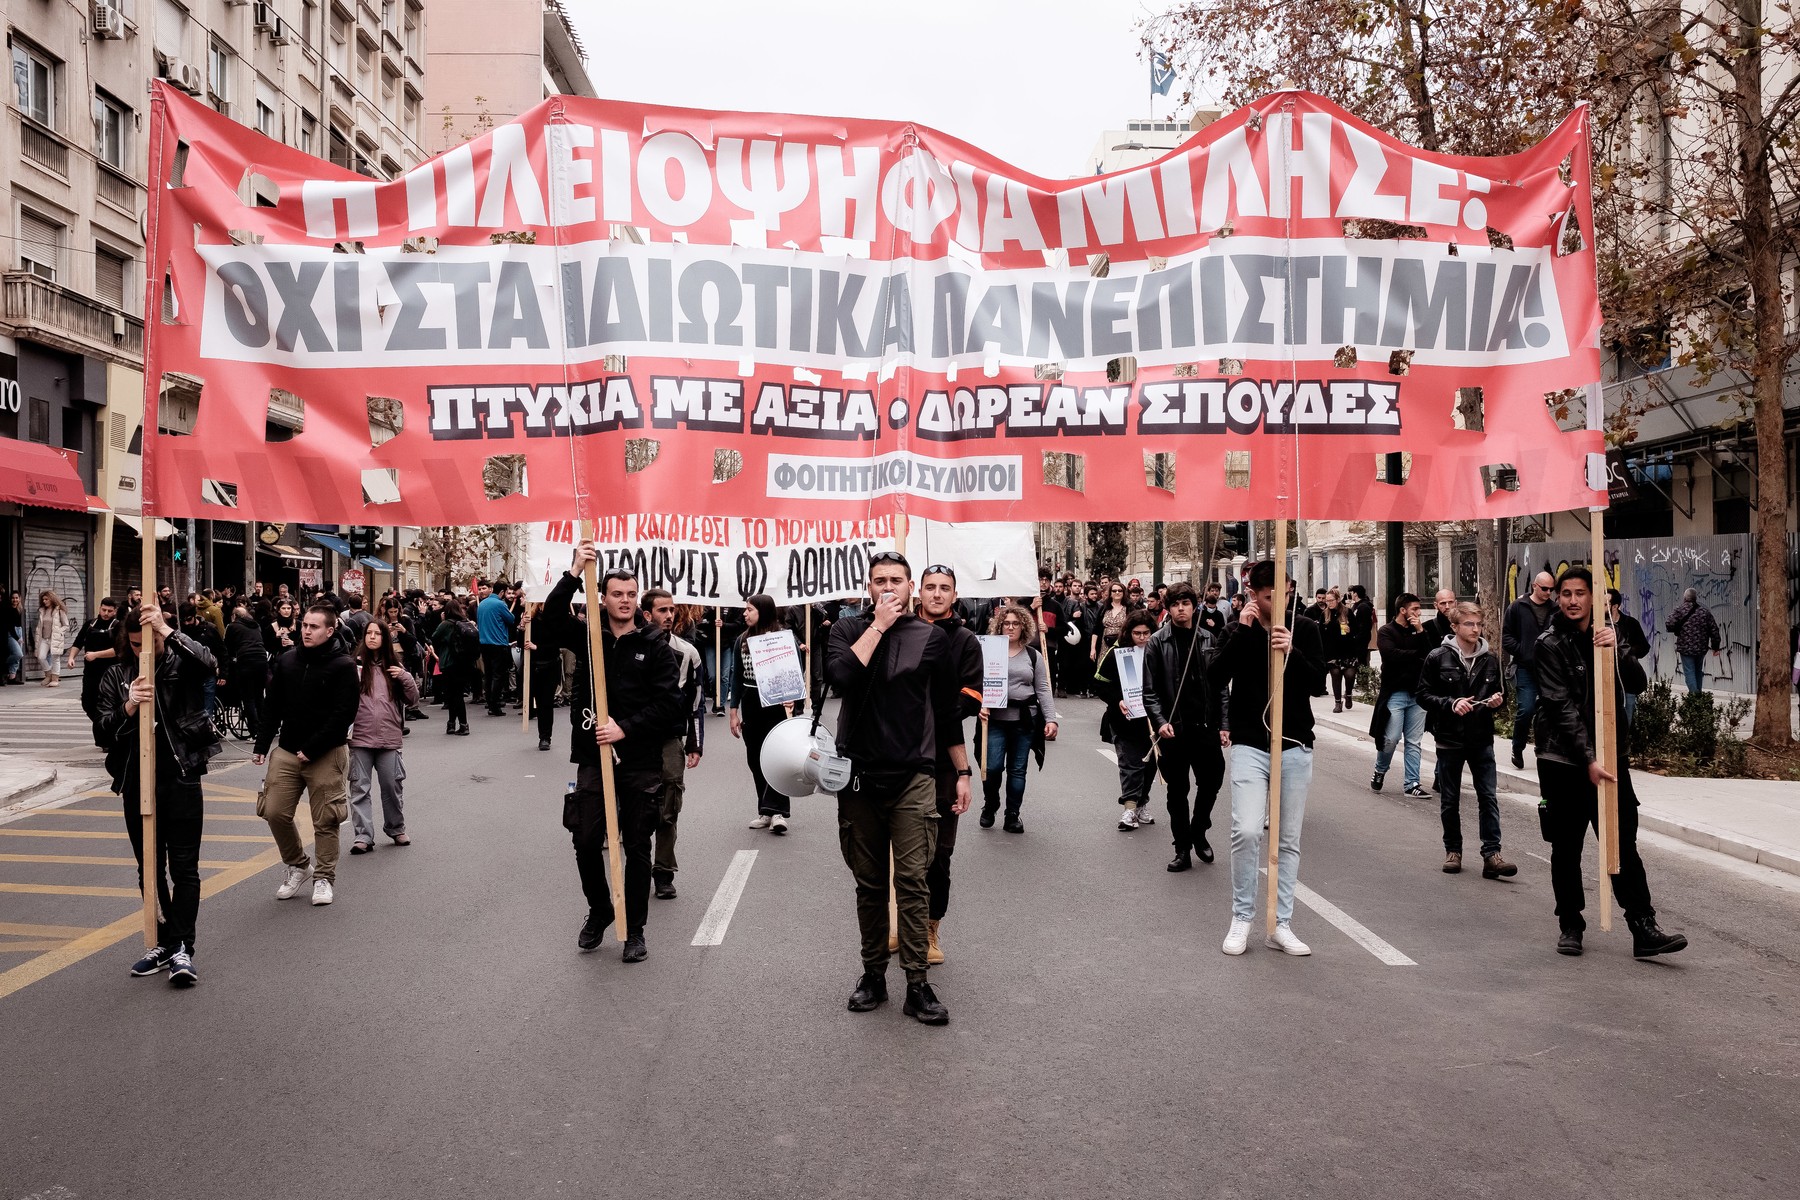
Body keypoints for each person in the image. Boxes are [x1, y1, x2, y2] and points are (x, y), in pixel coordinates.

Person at [826, 550, 971, 1024]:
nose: (888, 587)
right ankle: (872, 975)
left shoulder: (931, 638)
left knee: (912, 882)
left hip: (913, 777)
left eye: (896, 580)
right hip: (859, 778)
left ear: (911, 587)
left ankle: (916, 984)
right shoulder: (848, 631)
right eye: (879, 581)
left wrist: (963, 772)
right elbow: (841, 676)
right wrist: (878, 627)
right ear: (868, 587)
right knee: (869, 885)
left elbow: (948, 712)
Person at [1536, 567, 1686, 959]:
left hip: (1612, 760)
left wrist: (1617, 647)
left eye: (1579, 593)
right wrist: (1588, 758)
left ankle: (1643, 928)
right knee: (1566, 847)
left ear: (1594, 597)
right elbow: (1560, 706)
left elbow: (1637, 684)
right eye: (1565, 593)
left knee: (1622, 846)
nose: (1571, 600)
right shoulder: (1549, 643)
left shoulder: (1609, 636)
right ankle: (1570, 924)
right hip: (1563, 760)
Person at [542, 549, 683, 963]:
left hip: (639, 760)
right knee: (585, 839)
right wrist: (571, 573)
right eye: (617, 593)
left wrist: (627, 727)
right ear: (602, 597)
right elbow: (551, 620)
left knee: (637, 844)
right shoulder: (588, 637)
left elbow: (669, 705)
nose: (625, 600)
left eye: (631, 594)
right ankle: (600, 909)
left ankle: (634, 928)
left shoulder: (655, 645)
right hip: (592, 755)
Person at [96, 603, 220, 986]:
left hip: (181, 776)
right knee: (148, 868)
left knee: (184, 868)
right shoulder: (116, 675)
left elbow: (208, 663)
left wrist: (166, 631)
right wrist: (129, 705)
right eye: (134, 645)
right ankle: (165, 941)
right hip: (136, 783)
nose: (141, 651)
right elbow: (102, 732)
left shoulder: (179, 662)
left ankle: (183, 946)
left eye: (147, 643)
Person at [1209, 560, 1327, 957]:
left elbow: (1317, 683)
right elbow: (1214, 675)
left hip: (1294, 741)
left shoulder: (1305, 628)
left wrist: (1291, 650)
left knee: (1287, 837)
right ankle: (1242, 916)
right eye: (1265, 598)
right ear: (1252, 596)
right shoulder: (1237, 628)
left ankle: (1281, 923)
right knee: (1245, 829)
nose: (1276, 603)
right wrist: (1244, 632)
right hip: (1249, 741)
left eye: (1283, 593)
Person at [254, 602, 360, 907]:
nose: (307, 630)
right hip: (287, 750)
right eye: (304, 625)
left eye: (314, 627)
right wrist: (261, 745)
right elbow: (272, 706)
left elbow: (344, 714)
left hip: (325, 752)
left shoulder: (343, 666)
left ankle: (324, 877)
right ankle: (299, 865)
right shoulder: (287, 661)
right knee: (273, 811)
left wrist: (312, 748)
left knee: (325, 819)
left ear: (330, 630)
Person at [1416, 602, 1516, 878]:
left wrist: (1497, 701)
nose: (1475, 629)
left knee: (1488, 797)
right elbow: (1423, 695)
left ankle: (1492, 854)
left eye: (1478, 624)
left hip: (1481, 737)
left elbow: (1499, 694)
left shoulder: (1490, 658)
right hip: (1449, 738)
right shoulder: (1437, 657)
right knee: (1450, 798)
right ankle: (1453, 851)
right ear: (1455, 627)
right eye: (1469, 624)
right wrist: (1450, 703)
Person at [915, 565, 983, 964]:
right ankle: (898, 924)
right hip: (898, 757)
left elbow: (970, 699)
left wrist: (927, 710)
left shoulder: (964, 640)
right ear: (917, 591)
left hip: (943, 758)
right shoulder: (899, 630)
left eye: (944, 588)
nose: (937, 594)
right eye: (930, 587)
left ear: (954, 595)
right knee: (899, 852)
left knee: (939, 853)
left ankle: (930, 928)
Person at [1145, 581, 1226, 870]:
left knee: (1213, 779)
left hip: (1204, 726)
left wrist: (1224, 724)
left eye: (1186, 603)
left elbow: (1220, 686)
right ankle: (1182, 849)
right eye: (1176, 604)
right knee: (1177, 791)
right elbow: (1149, 690)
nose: (1181, 608)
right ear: (1169, 608)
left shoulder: (1208, 639)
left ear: (1195, 606)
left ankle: (1199, 830)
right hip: (1173, 729)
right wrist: (1160, 721)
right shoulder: (1157, 642)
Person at [643, 588, 704, 901]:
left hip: (669, 736)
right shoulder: (629, 646)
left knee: (671, 800)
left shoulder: (687, 653)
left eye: (671, 610)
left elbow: (695, 702)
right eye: (661, 610)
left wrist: (694, 744)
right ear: (647, 614)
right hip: (634, 737)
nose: (668, 616)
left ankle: (664, 871)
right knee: (636, 805)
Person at [979, 603, 1058, 834]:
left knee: (1017, 770)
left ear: (1023, 627)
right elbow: (975, 683)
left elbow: (1043, 688)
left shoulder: (1033, 656)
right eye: (1006, 623)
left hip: (1025, 721)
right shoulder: (988, 653)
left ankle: (1012, 814)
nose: (1010, 627)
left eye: (1015, 623)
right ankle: (990, 804)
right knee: (992, 767)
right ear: (999, 626)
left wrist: (1051, 719)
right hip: (994, 720)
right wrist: (979, 704)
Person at [726, 594, 801, 834]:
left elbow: (797, 670)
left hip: (776, 704)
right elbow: (737, 677)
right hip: (751, 701)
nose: (745, 614)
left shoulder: (784, 639)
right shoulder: (742, 641)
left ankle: (779, 812)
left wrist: (794, 696)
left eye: (749, 610)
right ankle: (765, 810)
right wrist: (734, 712)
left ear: (764, 611)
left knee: (776, 757)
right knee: (755, 758)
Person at [346, 619, 420, 854]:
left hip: (389, 737)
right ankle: (363, 836)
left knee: (391, 785)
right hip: (360, 736)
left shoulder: (395, 667)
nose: (372, 637)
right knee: (360, 788)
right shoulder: (354, 667)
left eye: (377, 633)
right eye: (369, 633)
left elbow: (413, 700)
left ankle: (396, 828)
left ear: (385, 638)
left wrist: (404, 677)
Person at [1095, 609, 1161, 831]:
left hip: (1153, 720)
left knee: (1151, 765)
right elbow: (1099, 684)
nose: (1142, 638)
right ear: (1128, 633)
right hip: (1124, 720)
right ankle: (1129, 808)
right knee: (1130, 765)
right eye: (1137, 633)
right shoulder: (1118, 653)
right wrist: (1117, 700)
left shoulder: (1159, 652)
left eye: (1146, 633)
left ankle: (1142, 803)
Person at [1369, 593, 1432, 798]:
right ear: (1402, 610)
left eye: (1418, 609)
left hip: (1418, 694)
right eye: (1414, 609)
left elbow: (1431, 655)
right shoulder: (1386, 631)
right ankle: (1380, 770)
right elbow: (1390, 655)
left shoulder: (1420, 631)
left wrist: (1420, 631)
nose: (1418, 613)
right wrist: (1417, 656)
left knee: (1414, 741)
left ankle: (1412, 783)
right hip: (1395, 693)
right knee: (1391, 738)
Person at [1503, 571, 1558, 768]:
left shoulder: (1555, 609)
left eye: (1551, 589)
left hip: (1549, 670)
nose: (1548, 593)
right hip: (1525, 668)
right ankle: (1517, 747)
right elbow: (1506, 636)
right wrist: (1523, 652)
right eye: (1544, 588)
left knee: (1549, 711)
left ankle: (1543, 749)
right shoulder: (1518, 607)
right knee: (1526, 709)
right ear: (1535, 586)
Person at [72, 596, 121, 735]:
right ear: (99, 608)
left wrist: (95, 654)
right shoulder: (90, 624)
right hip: (90, 672)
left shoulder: (118, 626)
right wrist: (71, 658)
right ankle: (104, 727)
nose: (106, 613)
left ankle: (107, 734)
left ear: (115, 611)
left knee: (106, 704)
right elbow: (78, 642)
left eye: (109, 611)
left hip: (109, 672)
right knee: (87, 702)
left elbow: (117, 650)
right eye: (103, 610)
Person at [430, 598, 477, 735]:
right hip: (464, 663)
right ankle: (455, 724)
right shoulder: (466, 623)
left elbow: (434, 637)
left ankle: (459, 724)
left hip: (449, 662)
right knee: (457, 694)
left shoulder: (445, 624)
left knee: (452, 695)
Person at [223, 601, 270, 738]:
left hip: (246, 660)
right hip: (261, 659)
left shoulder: (232, 626)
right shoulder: (256, 626)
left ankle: (254, 730)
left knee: (248, 697)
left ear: (234, 616)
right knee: (259, 696)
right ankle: (263, 728)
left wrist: (231, 660)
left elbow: (227, 647)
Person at [1664, 587, 1721, 695]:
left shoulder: (1679, 610)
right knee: (1698, 671)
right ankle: (1698, 695)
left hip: (1685, 648)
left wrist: (1677, 629)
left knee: (1689, 672)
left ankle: (1694, 697)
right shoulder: (1704, 612)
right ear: (1695, 598)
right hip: (1701, 648)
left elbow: (1669, 624)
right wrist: (1715, 647)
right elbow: (1714, 629)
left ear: (1685, 598)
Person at [1607, 589, 1651, 727]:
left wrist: (1627, 652)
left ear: (1615, 606)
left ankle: (1625, 743)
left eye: (1605, 603)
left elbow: (1644, 647)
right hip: (1607, 679)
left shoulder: (1630, 624)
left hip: (1628, 679)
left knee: (1627, 715)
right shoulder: (1599, 623)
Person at [476, 579, 516, 716]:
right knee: (498, 675)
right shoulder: (500, 604)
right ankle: (495, 704)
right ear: (503, 592)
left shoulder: (482, 604)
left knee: (488, 674)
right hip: (498, 644)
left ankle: (490, 701)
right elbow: (511, 620)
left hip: (484, 643)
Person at [524, 601, 560, 751]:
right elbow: (523, 644)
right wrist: (522, 627)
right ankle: (543, 734)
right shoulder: (530, 621)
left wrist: (537, 647)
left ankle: (545, 737)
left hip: (550, 666)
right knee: (539, 702)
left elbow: (557, 645)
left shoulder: (556, 620)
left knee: (546, 703)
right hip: (534, 667)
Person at [1317, 587, 1357, 713]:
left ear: (1338, 599)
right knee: (1335, 675)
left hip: (1348, 650)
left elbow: (1357, 629)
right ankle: (1338, 702)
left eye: (1331, 600)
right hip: (1332, 651)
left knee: (1350, 675)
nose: (1328, 603)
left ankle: (1349, 694)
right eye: (1327, 601)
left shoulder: (1347, 612)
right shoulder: (1324, 614)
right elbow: (1321, 634)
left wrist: (1351, 631)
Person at [1345, 584, 1376, 704]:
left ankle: (1363, 682)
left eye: (1351, 593)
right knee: (1359, 659)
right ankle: (1360, 682)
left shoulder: (1363, 607)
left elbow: (1364, 625)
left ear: (1355, 593)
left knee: (1362, 659)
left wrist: (1356, 636)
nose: (1351, 595)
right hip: (1357, 638)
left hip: (1361, 639)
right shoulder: (1358, 606)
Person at [34, 590, 71, 686]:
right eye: (43, 599)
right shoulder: (42, 610)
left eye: (46, 599)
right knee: (41, 656)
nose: (44, 601)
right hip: (44, 639)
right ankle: (48, 675)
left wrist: (59, 632)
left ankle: (55, 679)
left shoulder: (59, 611)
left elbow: (66, 625)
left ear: (52, 599)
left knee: (55, 658)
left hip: (54, 638)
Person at [2, 589, 24, 684]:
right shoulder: (8, 609)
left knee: (17, 658)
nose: (15, 600)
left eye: (16, 598)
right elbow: (9, 626)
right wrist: (17, 638)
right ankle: (3, 664)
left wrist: (21, 635)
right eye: (13, 598)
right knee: (18, 654)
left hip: (19, 631)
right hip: (11, 634)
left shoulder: (19, 609)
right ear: (10, 599)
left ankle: (12, 677)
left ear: (19, 599)